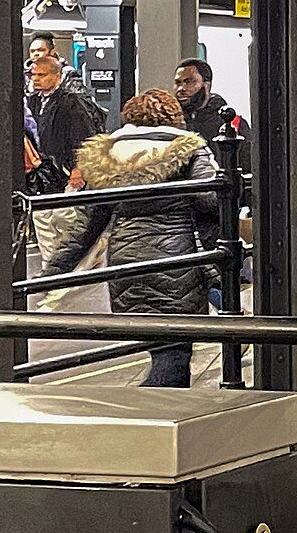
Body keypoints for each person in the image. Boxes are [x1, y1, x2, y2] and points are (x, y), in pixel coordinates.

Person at [38, 89, 219, 387]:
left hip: (126, 264)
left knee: (163, 346)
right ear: (175, 118)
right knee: (174, 352)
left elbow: (86, 226)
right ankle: (156, 407)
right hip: (177, 260)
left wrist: (53, 273)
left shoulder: (107, 157)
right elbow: (212, 198)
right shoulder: (189, 149)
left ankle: (163, 405)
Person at [26, 46, 103, 186]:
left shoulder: (72, 102)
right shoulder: (32, 101)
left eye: (42, 75)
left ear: (58, 76)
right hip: (41, 171)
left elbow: (82, 137)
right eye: (33, 75)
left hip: (64, 171)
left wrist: (77, 169)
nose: (35, 79)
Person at [172, 58, 251, 163]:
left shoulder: (234, 124)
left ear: (207, 85)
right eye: (178, 83)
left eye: (189, 82)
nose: (181, 88)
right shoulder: (172, 123)